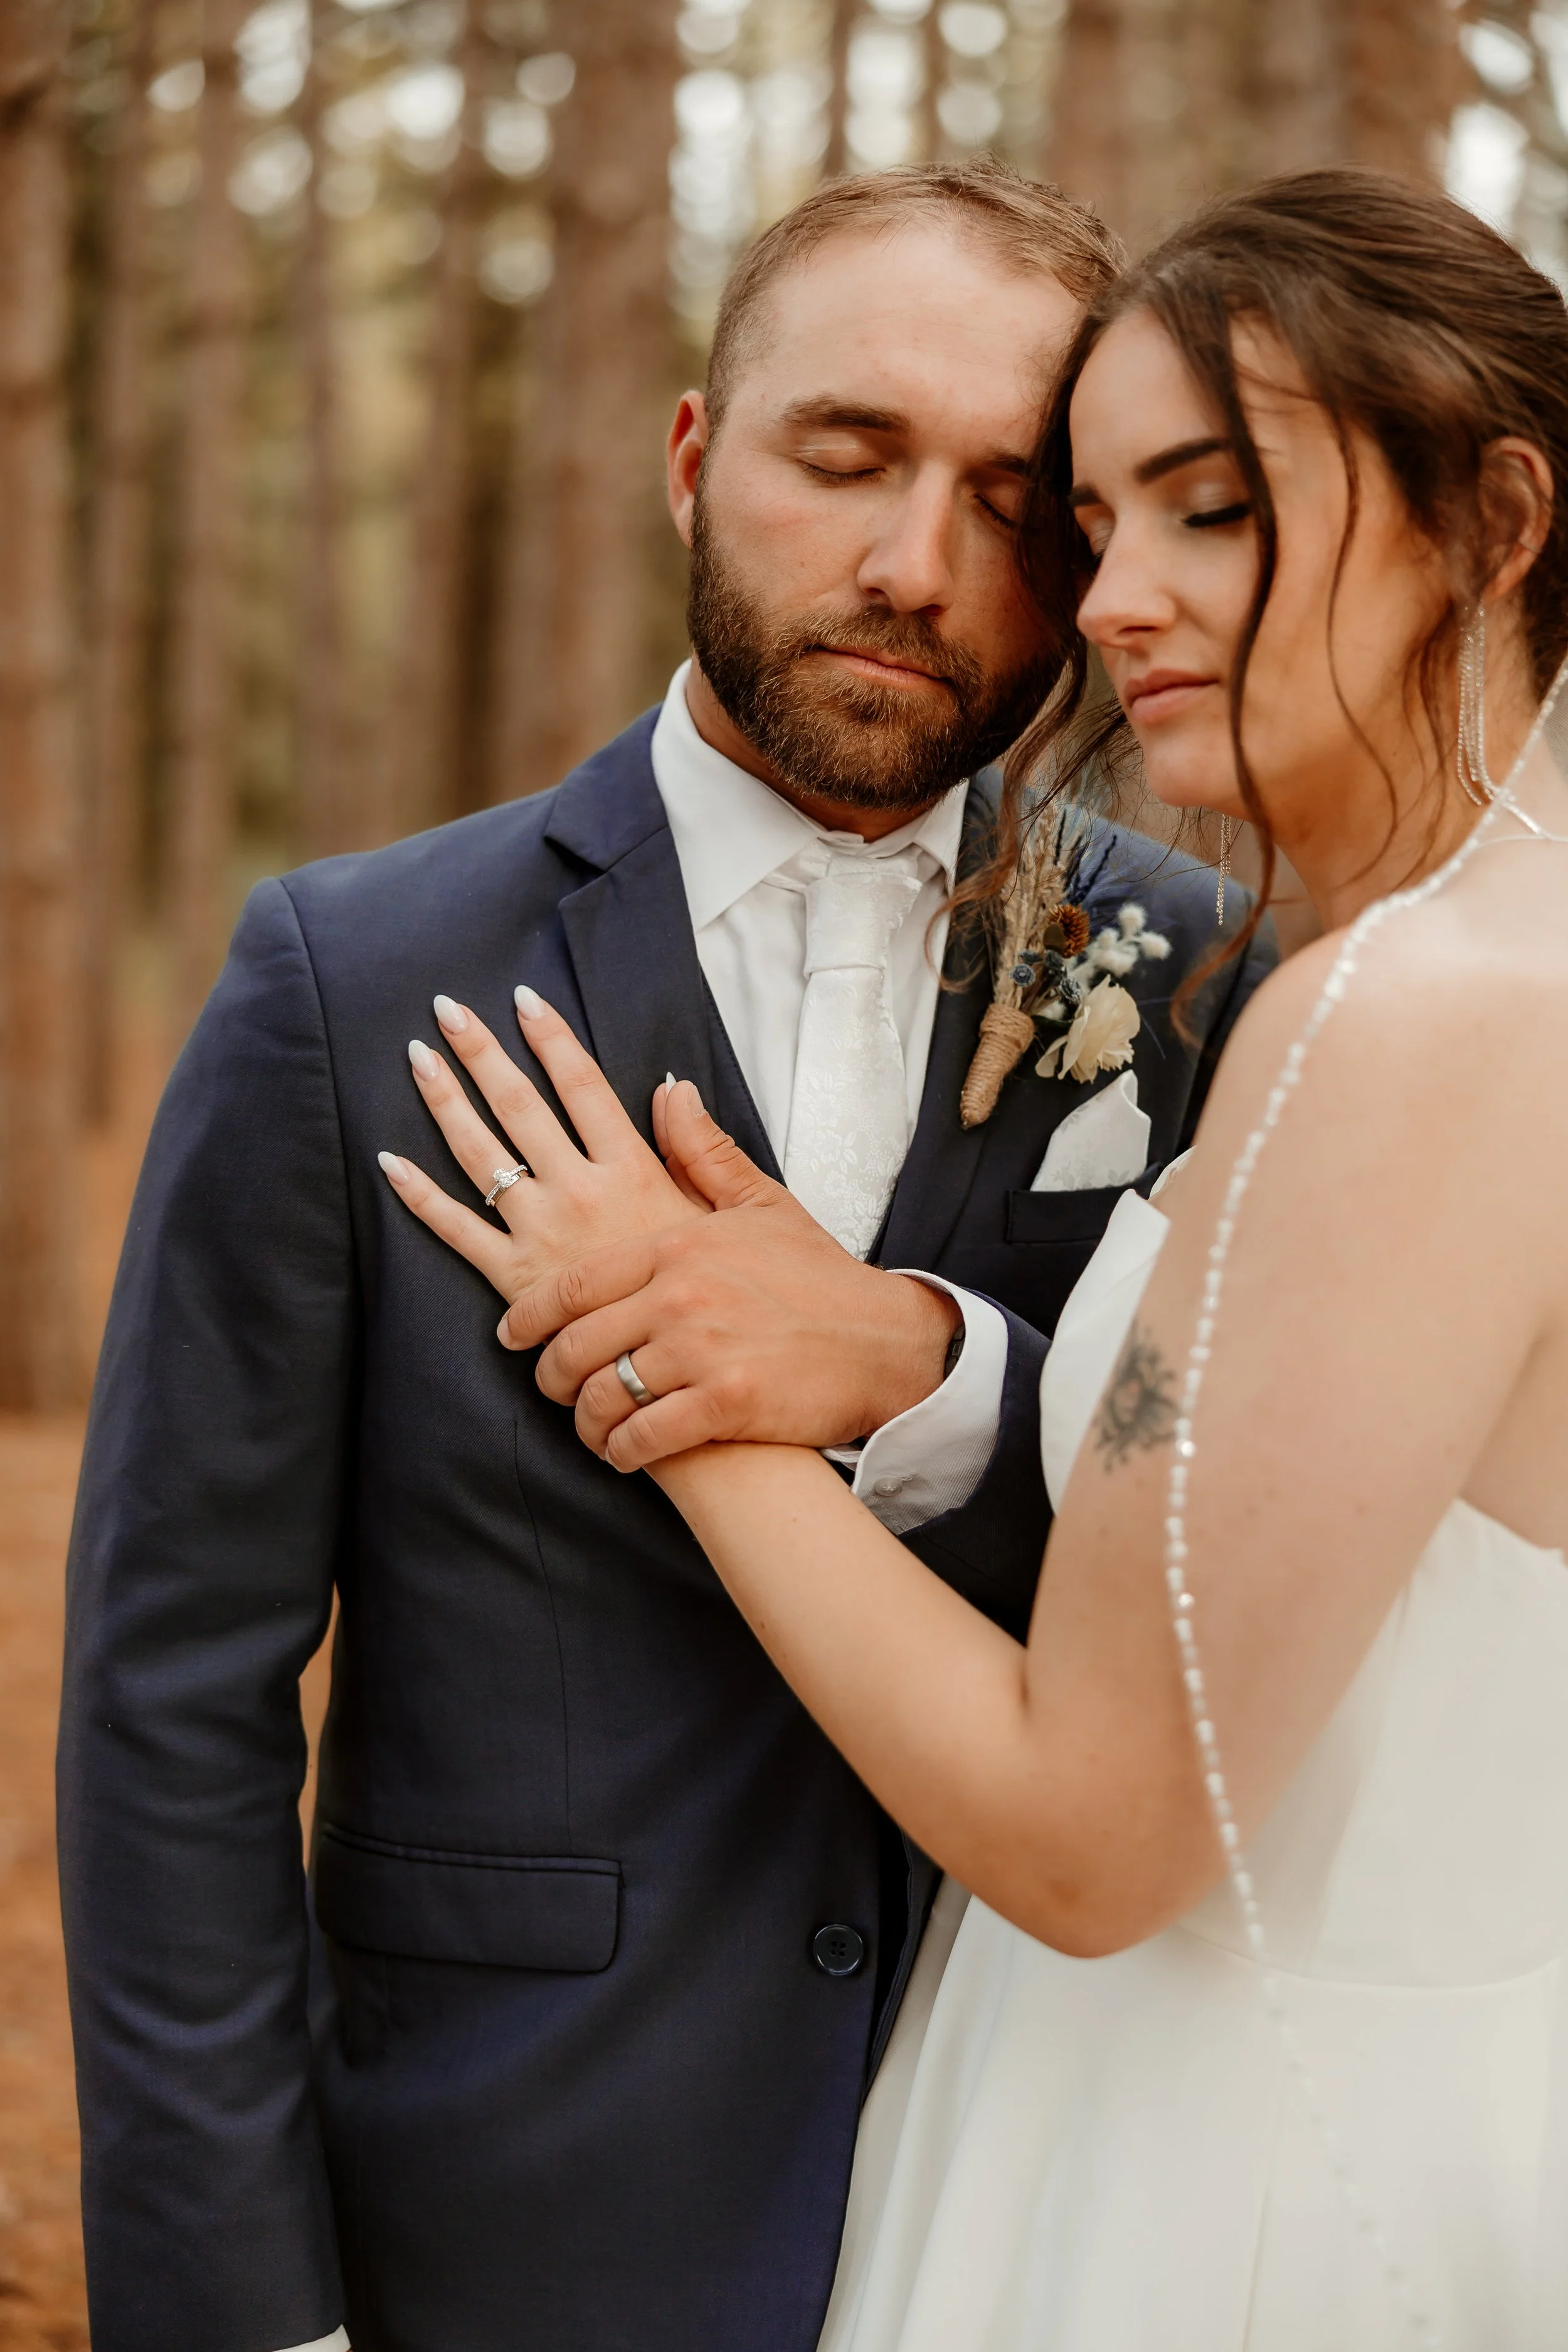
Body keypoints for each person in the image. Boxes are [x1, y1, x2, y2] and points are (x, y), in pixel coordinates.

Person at [56, 161, 1269, 2352]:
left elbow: (1236, 1568)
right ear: (697, 458)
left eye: (1010, 499)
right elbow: (174, 1711)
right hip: (513, 2224)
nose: (916, 567)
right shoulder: (350, 978)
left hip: (1055, 2195)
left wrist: (923, 1367)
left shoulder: (1197, 980)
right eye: (845, 453)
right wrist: (242, 2317)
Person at [396, 169, 1568, 2348]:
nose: (1114, 597)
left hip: (1220, 2185)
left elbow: (1092, 1825)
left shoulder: (1391, 1020)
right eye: (1101, 523)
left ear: (1495, 521)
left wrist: (680, 1351)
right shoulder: (1461, 964)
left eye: (1208, 506)